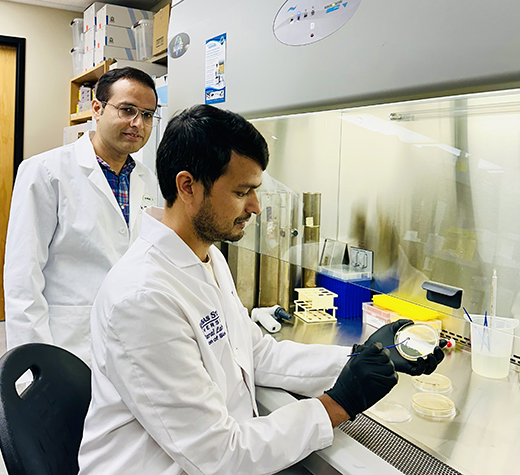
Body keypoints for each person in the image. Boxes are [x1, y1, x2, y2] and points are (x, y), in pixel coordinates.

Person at [78, 104, 444, 474]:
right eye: (241, 192)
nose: (254, 206)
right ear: (187, 186)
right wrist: (337, 404)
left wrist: (365, 356)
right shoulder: (143, 298)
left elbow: (259, 354)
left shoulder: (206, 258)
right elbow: (219, 455)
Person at [3, 67, 160, 365]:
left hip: (132, 343)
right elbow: (22, 276)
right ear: (97, 109)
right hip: (68, 342)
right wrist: (32, 362)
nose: (138, 123)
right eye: (127, 110)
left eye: (148, 115)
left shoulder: (147, 179)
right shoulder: (45, 172)